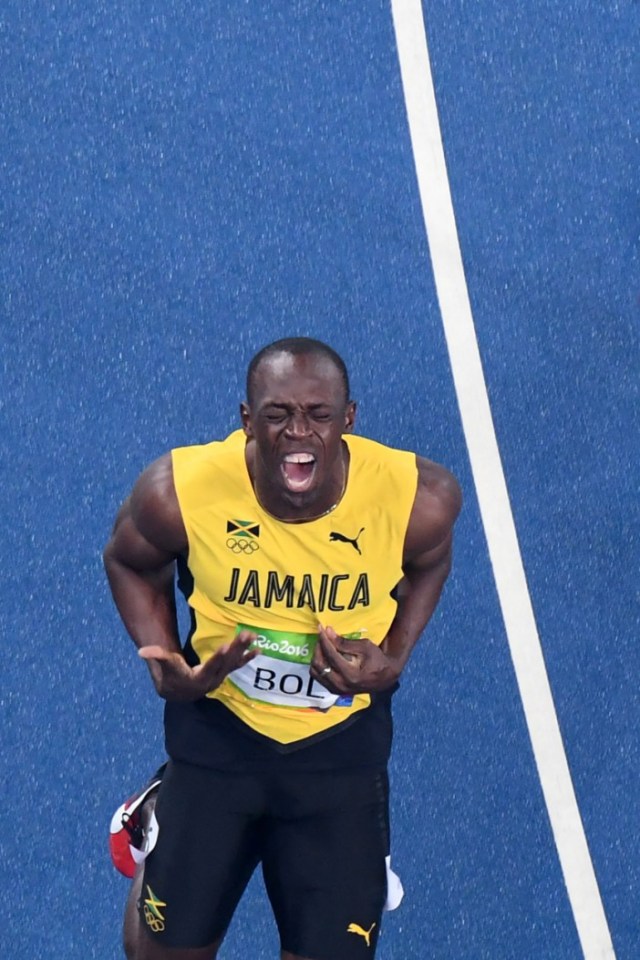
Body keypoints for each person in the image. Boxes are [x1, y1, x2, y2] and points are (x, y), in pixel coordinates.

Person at [104, 336, 461, 960]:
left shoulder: (415, 499)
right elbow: (128, 560)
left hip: (340, 750)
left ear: (348, 420)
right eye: (277, 414)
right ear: (247, 419)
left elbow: (430, 560)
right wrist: (169, 663)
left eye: (319, 415)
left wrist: (396, 656)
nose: (298, 432)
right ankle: (162, 817)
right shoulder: (180, 491)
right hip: (219, 733)